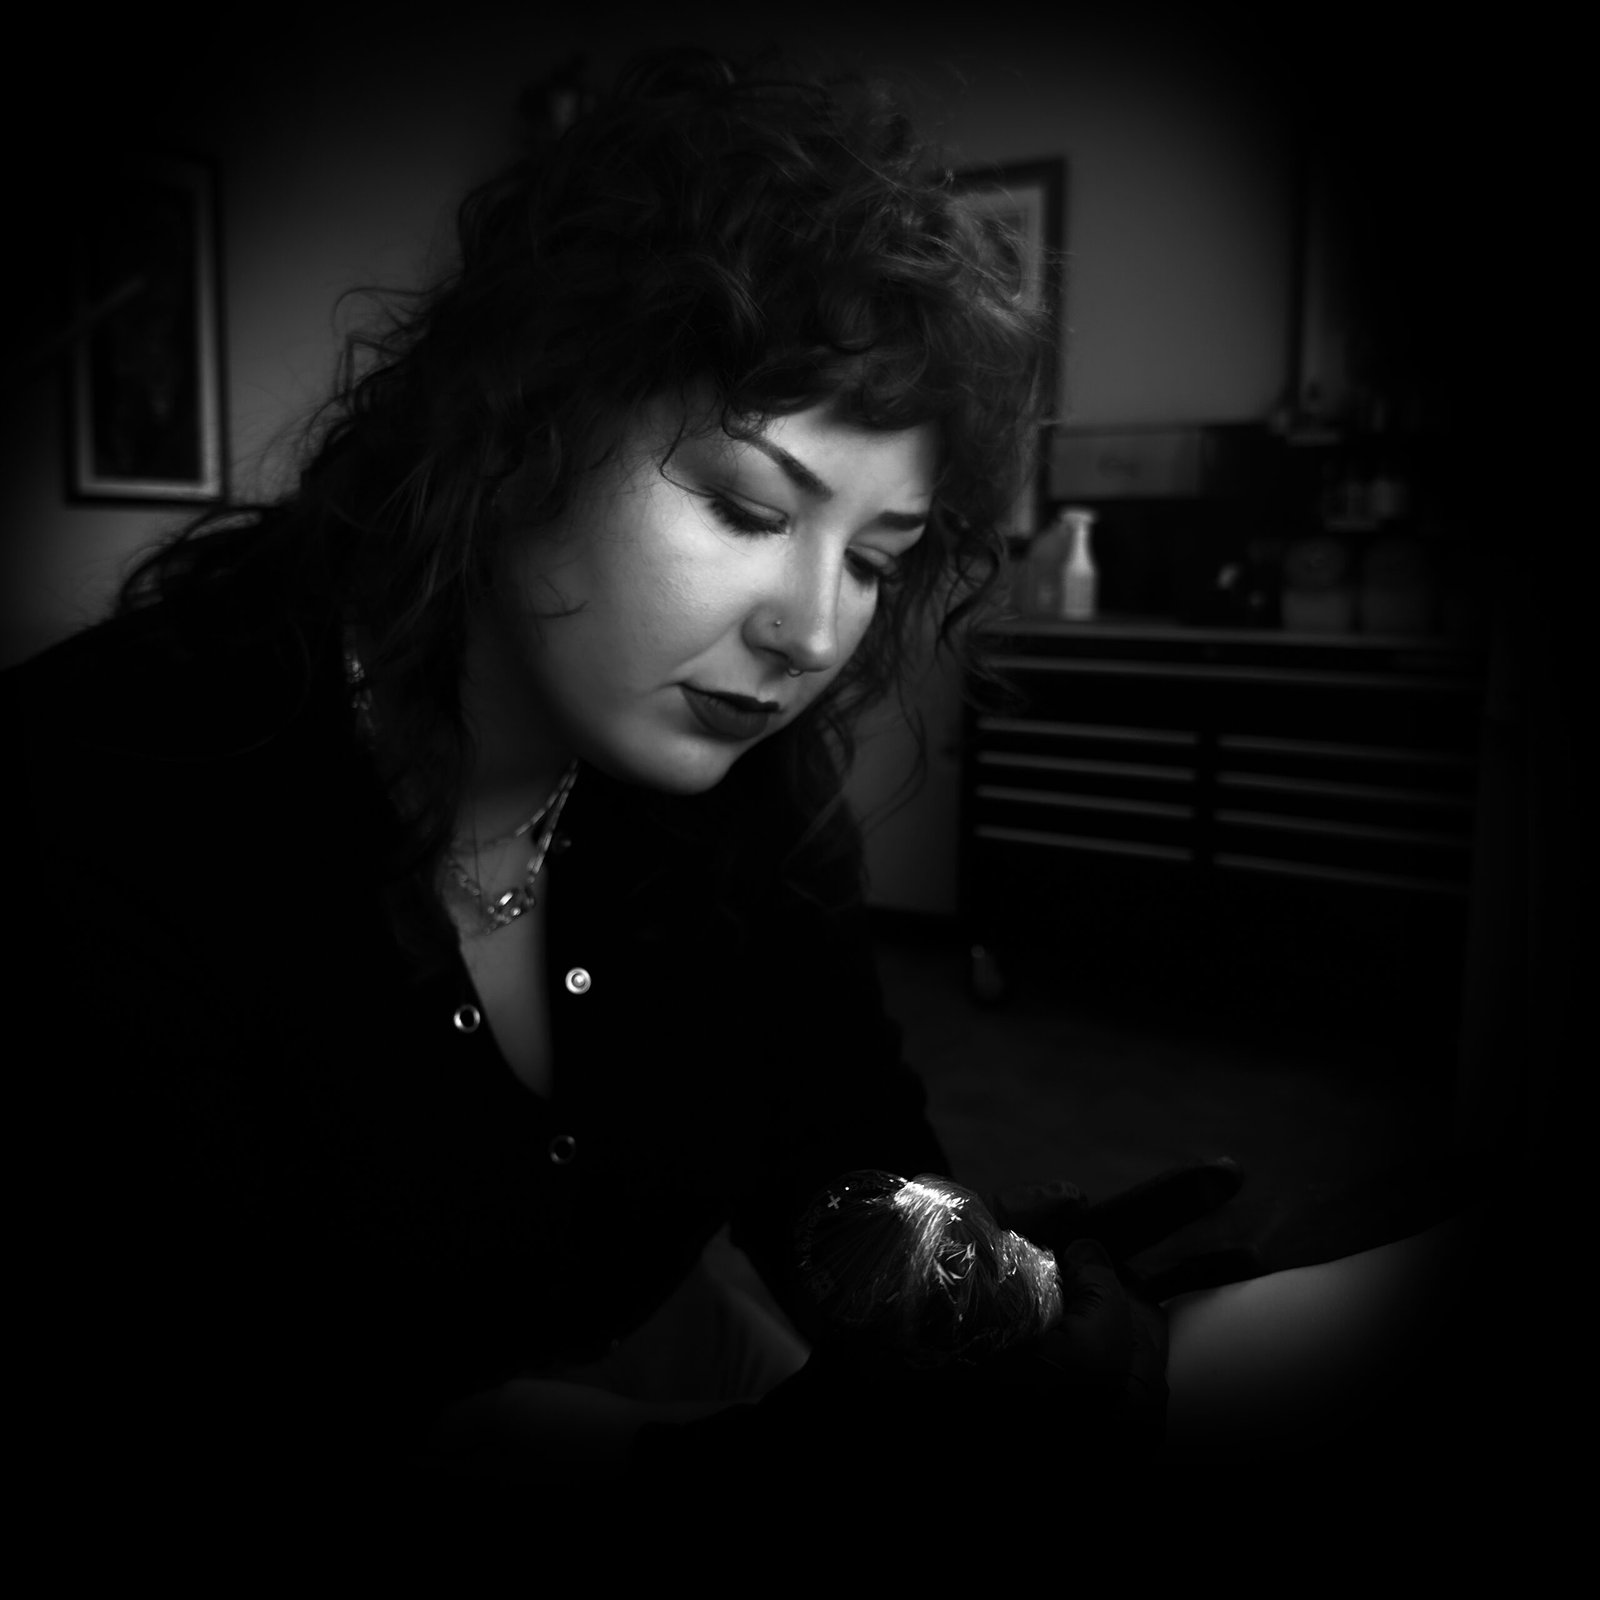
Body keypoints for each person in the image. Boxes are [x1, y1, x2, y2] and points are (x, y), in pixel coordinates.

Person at [5, 49, 1486, 1513]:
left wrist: (966, 1289)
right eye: (742, 506)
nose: (814, 633)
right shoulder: (109, 810)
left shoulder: (737, 788)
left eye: (877, 558)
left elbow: (830, 1137)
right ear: (519, 424)